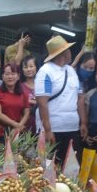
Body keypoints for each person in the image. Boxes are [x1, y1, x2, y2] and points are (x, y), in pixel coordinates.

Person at [35, 35, 86, 166]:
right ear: (63, 53)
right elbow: (42, 103)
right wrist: (47, 130)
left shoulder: (71, 71)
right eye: (68, 50)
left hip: (72, 128)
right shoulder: (45, 71)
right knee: (49, 168)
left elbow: (80, 97)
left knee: (71, 167)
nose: (70, 52)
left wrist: (83, 122)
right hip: (53, 129)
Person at [0, 63, 30, 142]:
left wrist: (19, 126)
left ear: (18, 76)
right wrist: (16, 125)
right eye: (7, 74)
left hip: (19, 134)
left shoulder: (22, 93)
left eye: (13, 74)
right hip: (1, 134)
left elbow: (27, 112)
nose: (10, 77)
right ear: (3, 76)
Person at [21, 54, 38, 122]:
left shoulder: (42, 85)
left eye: (31, 66)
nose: (29, 69)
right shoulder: (19, 87)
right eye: (25, 67)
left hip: (40, 125)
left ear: (36, 67)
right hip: (24, 125)